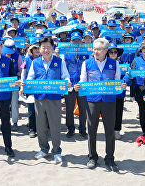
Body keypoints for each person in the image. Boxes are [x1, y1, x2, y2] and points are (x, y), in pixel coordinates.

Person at [74, 37, 127, 172]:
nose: (95, 51)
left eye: (98, 49)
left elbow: (117, 82)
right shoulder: (87, 63)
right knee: (91, 130)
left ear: (105, 50)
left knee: (110, 131)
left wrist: (122, 86)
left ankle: (110, 158)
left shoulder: (114, 64)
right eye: (94, 49)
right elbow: (83, 80)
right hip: (92, 100)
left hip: (109, 101)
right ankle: (92, 157)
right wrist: (78, 86)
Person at [26, 36, 71, 164]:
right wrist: (26, 84)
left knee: (55, 126)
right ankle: (44, 149)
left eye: (48, 47)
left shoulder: (59, 61)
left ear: (53, 48)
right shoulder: (35, 63)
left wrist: (67, 82)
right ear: (39, 49)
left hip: (54, 98)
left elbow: (65, 76)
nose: (46, 50)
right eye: (43, 47)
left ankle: (56, 151)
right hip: (39, 98)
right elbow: (30, 78)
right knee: (40, 126)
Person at [62, 32, 88, 139]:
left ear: (81, 41)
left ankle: (82, 129)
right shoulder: (66, 53)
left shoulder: (87, 53)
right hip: (70, 84)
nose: (76, 42)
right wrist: (68, 82)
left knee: (83, 108)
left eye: (78, 40)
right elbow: (63, 69)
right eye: (74, 40)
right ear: (70, 41)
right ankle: (70, 128)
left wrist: (83, 83)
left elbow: (88, 69)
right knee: (69, 108)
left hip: (82, 85)